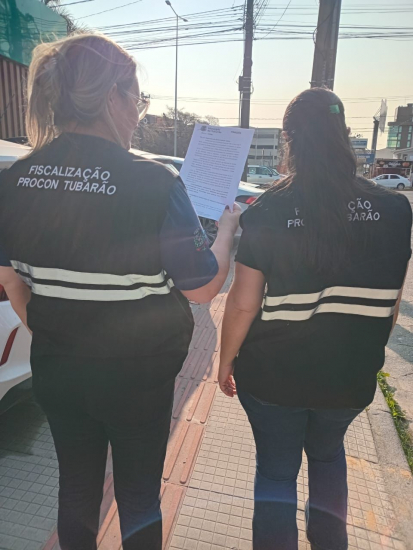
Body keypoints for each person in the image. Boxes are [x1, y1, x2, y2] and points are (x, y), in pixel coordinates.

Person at [0, 34, 240, 550]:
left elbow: (11, 279)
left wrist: (48, 329)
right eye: (138, 99)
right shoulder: (153, 182)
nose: (138, 113)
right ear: (112, 97)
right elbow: (203, 288)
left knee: (76, 489)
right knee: (138, 496)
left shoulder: (16, 178)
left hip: (59, 371)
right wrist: (225, 234)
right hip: (139, 377)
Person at [218, 87, 412, 550]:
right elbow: (389, 305)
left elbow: (243, 304)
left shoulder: (268, 210)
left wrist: (224, 361)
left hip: (273, 377)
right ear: (343, 133)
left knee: (276, 473)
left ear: (289, 139)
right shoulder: (395, 210)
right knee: (327, 458)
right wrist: (364, 355)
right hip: (348, 378)